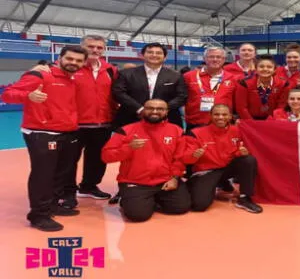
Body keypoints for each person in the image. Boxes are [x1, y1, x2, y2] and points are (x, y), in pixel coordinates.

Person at [1, 45, 88, 231]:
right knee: (43, 175)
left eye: (79, 60)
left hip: (66, 131)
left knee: (60, 174)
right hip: (42, 132)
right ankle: (38, 215)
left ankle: (53, 205)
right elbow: (8, 94)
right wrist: (28, 95)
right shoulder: (40, 75)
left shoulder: (73, 79)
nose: (74, 63)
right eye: (70, 59)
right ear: (60, 57)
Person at [29, 35, 118, 203]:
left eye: (99, 47)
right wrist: (41, 67)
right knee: (68, 163)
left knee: (98, 159)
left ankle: (89, 186)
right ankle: (66, 193)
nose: (95, 50)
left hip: (102, 123)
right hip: (74, 125)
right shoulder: (68, 68)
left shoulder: (110, 70)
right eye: (90, 46)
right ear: (82, 47)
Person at [101, 99, 191, 222]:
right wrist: (128, 148)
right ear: (143, 110)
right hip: (136, 181)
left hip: (165, 181)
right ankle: (127, 198)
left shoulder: (177, 131)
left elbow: (179, 158)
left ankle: (148, 200)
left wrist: (175, 178)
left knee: (181, 208)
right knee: (138, 216)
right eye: (150, 108)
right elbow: (106, 156)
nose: (154, 111)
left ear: (166, 112)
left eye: (160, 109)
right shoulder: (126, 130)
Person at [182, 104, 263, 213]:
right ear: (210, 116)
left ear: (230, 116)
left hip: (226, 169)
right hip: (207, 172)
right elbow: (186, 159)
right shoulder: (196, 133)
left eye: (224, 114)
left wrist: (242, 152)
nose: (220, 117)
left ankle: (244, 198)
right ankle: (210, 184)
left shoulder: (237, 131)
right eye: (217, 114)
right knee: (199, 205)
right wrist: (194, 155)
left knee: (248, 160)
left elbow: (237, 151)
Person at [112, 43, 188, 128]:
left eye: (158, 53)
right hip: (131, 118)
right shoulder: (126, 74)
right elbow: (118, 93)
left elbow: (182, 96)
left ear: (165, 57)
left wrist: (162, 109)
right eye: (150, 52)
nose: (154, 55)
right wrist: (140, 109)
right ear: (142, 55)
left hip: (167, 120)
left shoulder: (176, 76)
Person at [183, 46, 237, 131]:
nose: (215, 59)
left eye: (218, 57)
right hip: (195, 123)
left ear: (224, 59)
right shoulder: (189, 76)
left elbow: (237, 102)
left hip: (222, 122)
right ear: (204, 58)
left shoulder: (232, 78)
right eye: (211, 57)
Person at [235, 55, 289, 120]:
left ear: (275, 70)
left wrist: (272, 121)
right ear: (256, 69)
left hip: (273, 120)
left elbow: (281, 106)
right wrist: (252, 123)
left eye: (269, 67)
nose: (265, 69)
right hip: (250, 120)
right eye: (261, 67)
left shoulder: (283, 84)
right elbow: (241, 108)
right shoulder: (244, 83)